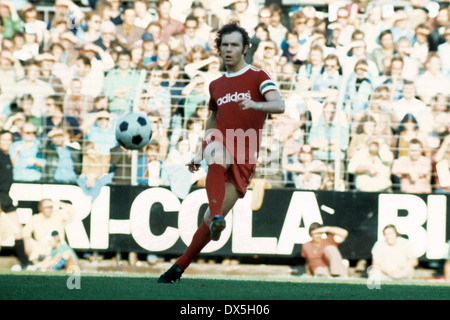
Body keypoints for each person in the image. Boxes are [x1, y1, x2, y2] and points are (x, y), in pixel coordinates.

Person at [158, 22, 285, 283]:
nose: (229, 49)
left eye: (235, 45)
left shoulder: (258, 76)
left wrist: (256, 104)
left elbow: (279, 104)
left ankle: (179, 267)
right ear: (219, 48)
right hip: (220, 146)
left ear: (245, 48)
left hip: (245, 155)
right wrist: (198, 150)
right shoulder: (215, 85)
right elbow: (212, 119)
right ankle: (215, 217)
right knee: (215, 152)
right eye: (224, 45)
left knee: (207, 223)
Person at [0, 130, 31, 269]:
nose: (6, 142)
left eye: (9, 140)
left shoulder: (6, 156)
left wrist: (17, 153)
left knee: (18, 231)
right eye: (3, 139)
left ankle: (25, 264)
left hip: (6, 197)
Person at [22, 199, 75, 264]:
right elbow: (25, 231)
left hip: (58, 249)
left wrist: (56, 202)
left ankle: (42, 266)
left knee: (65, 251)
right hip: (42, 249)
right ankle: (40, 264)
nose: (49, 209)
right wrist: (27, 244)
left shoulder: (58, 215)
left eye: (51, 207)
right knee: (30, 242)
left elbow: (72, 211)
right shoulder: (36, 218)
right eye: (46, 207)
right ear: (40, 208)